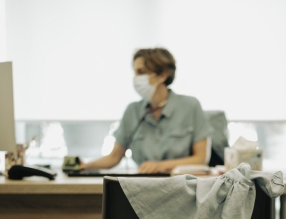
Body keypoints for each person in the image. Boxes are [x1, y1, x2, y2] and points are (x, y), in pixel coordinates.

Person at [81, 48, 211, 174]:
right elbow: (114, 157)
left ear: (162, 75)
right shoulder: (132, 111)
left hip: (181, 184)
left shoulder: (190, 106)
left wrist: (160, 166)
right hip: (142, 186)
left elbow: (200, 159)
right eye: (135, 72)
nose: (136, 78)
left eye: (141, 72)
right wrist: (85, 165)